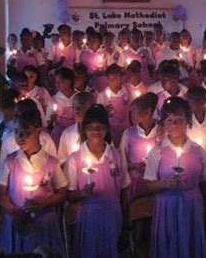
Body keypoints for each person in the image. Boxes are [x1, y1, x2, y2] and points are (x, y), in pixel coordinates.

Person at [144, 97, 206, 258]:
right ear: (164, 124)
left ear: (188, 123)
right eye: (170, 121)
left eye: (179, 120)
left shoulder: (197, 150)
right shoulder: (157, 152)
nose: (174, 125)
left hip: (192, 206)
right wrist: (165, 184)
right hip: (167, 208)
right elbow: (148, 184)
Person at [0, 110, 67, 255]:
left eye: (25, 132)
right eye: (16, 132)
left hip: (45, 221)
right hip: (18, 219)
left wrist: (42, 204)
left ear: (38, 130)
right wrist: (15, 211)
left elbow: (62, 193)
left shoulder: (51, 162)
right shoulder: (10, 161)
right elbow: (0, 194)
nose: (20, 137)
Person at [65, 104, 130, 258]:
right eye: (91, 127)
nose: (96, 131)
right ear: (85, 130)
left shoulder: (116, 155)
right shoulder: (75, 159)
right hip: (89, 215)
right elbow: (70, 194)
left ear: (106, 130)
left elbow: (123, 188)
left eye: (100, 127)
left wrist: (127, 220)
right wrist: (83, 194)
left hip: (113, 214)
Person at [119, 92, 161, 202]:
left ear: (147, 112)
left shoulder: (162, 132)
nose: (131, 115)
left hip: (156, 181)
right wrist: (136, 166)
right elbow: (122, 162)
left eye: (135, 112)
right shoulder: (128, 134)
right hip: (135, 183)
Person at [0, 100, 57, 169]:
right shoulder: (8, 141)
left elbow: (54, 165)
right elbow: (1, 168)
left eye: (20, 115)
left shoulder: (46, 139)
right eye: (16, 114)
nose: (20, 137)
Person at [58, 92, 96, 166]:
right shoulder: (67, 133)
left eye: (83, 107)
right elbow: (62, 160)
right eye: (75, 107)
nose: (77, 111)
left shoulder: (98, 134)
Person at [97, 64, 131, 148]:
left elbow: (131, 109)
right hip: (110, 129)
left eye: (116, 78)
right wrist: (105, 112)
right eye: (111, 80)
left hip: (125, 128)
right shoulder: (102, 95)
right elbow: (98, 114)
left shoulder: (127, 92)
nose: (114, 82)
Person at [47, 67, 77, 148]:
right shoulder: (54, 100)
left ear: (70, 82)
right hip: (59, 134)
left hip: (75, 133)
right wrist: (52, 119)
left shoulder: (78, 97)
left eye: (62, 81)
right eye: (56, 82)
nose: (58, 84)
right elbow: (48, 123)